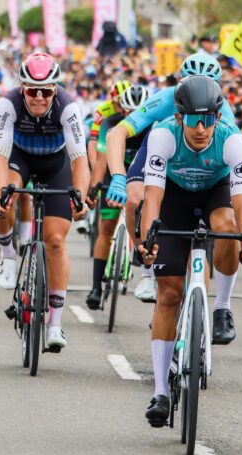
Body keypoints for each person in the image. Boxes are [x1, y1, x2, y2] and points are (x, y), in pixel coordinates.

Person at [136, 76, 242, 426]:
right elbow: (153, 199)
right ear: (179, 118)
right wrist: (148, 240)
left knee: (229, 227)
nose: (200, 128)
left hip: (215, 193)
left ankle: (221, 307)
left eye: (208, 120)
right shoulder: (161, 136)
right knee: (169, 294)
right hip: (173, 197)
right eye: (192, 120)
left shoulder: (233, 140)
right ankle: (160, 390)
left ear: (218, 118)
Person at [104, 54, 237, 342]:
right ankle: (147, 268)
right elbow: (117, 133)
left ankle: (217, 307)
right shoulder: (166, 99)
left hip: (202, 170)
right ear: (178, 83)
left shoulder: (222, 110)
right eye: (187, 82)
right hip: (161, 154)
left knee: (222, 228)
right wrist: (117, 174)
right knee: (134, 198)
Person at [0, 52, 89, 349]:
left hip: (54, 164)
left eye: (45, 91)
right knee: (5, 195)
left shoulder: (67, 106)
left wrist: (80, 197)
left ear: (54, 89)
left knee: (55, 240)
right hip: (19, 159)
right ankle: (8, 256)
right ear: (22, 88)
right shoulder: (8, 103)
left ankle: (55, 323)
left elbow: (79, 158)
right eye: (32, 90)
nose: (38, 97)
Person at [85, 85, 151, 310]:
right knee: (106, 227)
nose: (132, 117)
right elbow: (103, 160)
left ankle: (146, 269)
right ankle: (96, 287)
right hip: (115, 174)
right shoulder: (110, 124)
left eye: (137, 112)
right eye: (127, 112)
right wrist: (94, 187)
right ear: (121, 110)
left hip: (141, 173)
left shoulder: (153, 125)